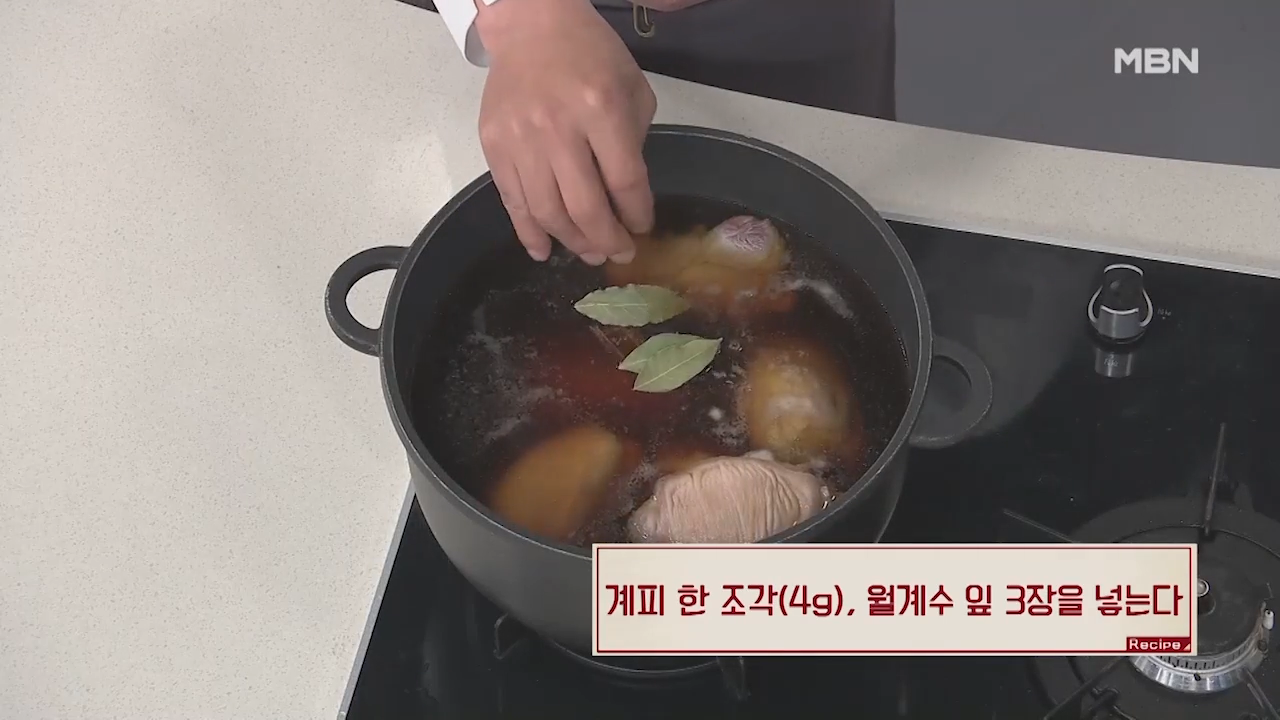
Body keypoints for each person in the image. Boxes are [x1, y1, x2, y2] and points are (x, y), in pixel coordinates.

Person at [432, 0, 895, 265]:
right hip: (509, 32)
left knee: (845, 227)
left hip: (798, 27)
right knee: (534, 209)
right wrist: (518, 15)